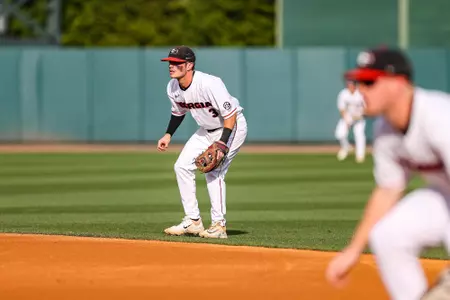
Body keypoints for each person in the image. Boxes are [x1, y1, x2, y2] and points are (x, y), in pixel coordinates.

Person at [325, 47, 450, 300]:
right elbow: (389, 189)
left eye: (369, 82)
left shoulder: (439, 117)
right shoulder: (385, 129)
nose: (361, 90)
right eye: (358, 82)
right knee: (387, 235)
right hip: (444, 197)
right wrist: (353, 250)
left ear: (398, 83)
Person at [157, 46, 248, 239]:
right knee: (181, 166)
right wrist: (168, 135)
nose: (171, 66)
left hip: (231, 127)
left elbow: (230, 115)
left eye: (177, 63)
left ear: (189, 65)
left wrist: (223, 144)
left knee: (214, 171)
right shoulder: (172, 87)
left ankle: (219, 225)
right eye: (170, 62)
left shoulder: (210, 83)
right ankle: (193, 221)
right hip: (206, 130)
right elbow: (178, 112)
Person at [334, 80, 366, 163]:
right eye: (349, 84)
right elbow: (342, 108)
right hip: (348, 116)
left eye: (352, 84)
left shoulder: (361, 93)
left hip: (359, 117)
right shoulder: (343, 93)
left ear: (355, 85)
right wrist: (347, 119)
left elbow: (367, 107)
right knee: (339, 134)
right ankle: (346, 147)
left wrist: (362, 115)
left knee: (359, 135)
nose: (350, 86)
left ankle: (360, 156)